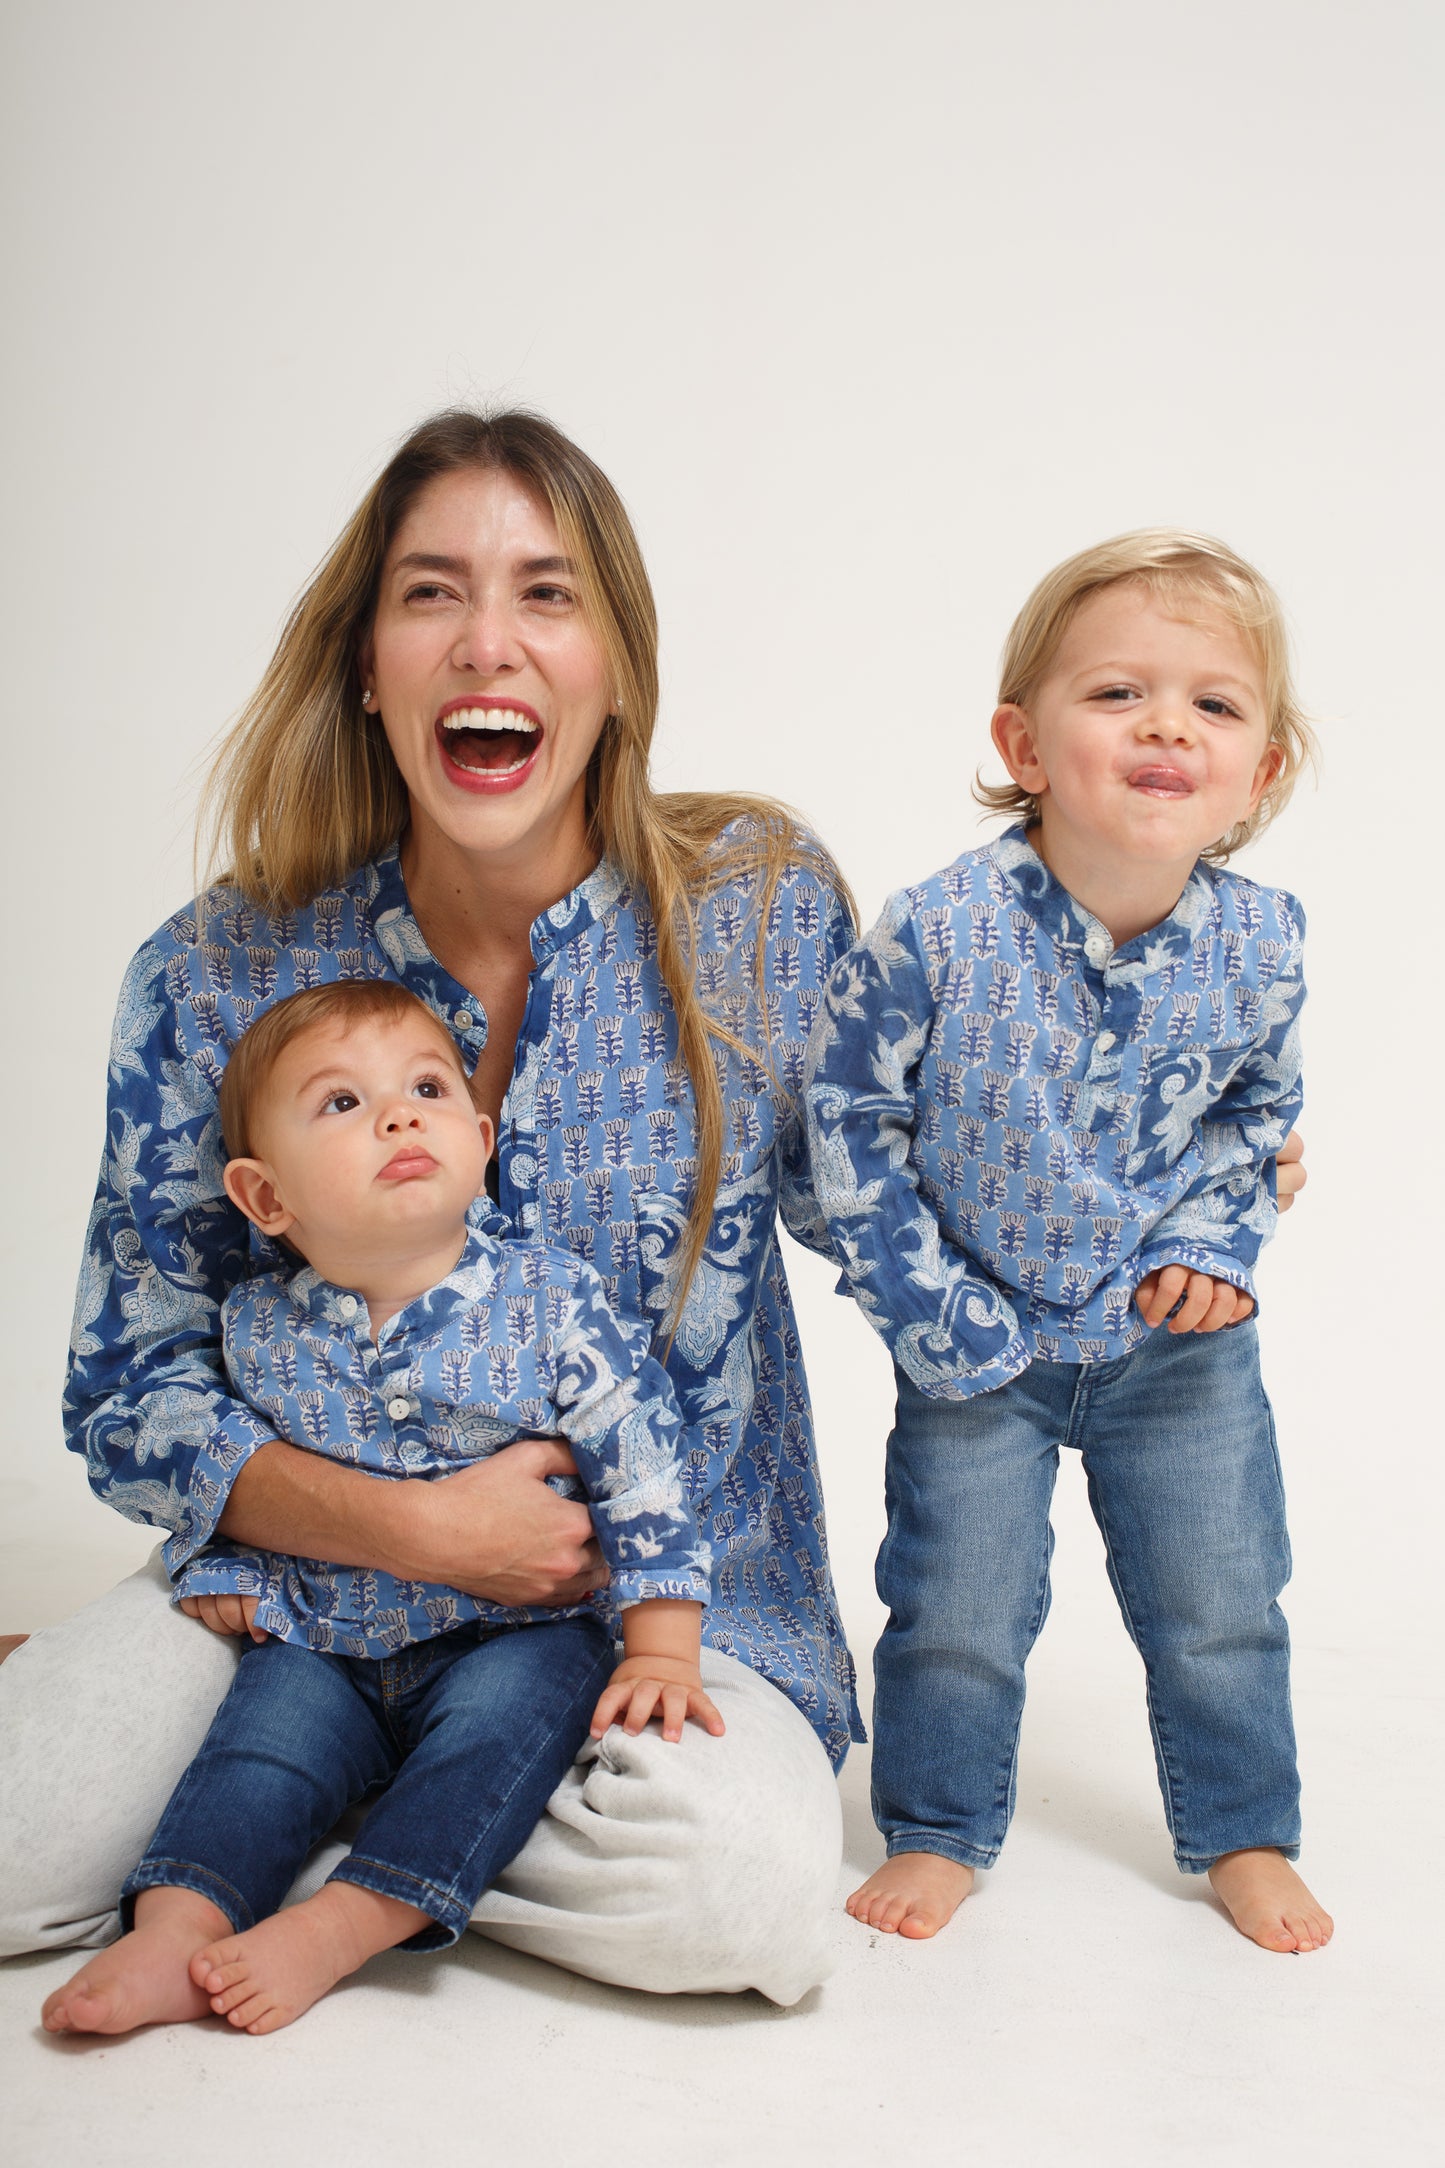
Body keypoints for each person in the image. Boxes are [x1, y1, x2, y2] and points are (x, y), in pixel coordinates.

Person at [0, 409, 860, 2006]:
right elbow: (130, 1390)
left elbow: (892, 1204)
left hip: (669, 1611)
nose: (489, 643)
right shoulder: (216, 970)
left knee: (731, 1900)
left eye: (547, 593)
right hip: (303, 1609)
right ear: (367, 665)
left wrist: (1192, 1170)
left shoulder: (759, 910)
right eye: (430, 595)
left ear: (617, 659)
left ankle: (280, 1847)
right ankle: (334, 1808)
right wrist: (414, 1530)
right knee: (8, 1842)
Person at [805, 531, 1333, 1953]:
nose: (1168, 725)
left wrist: (1219, 1244)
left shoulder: (1265, 944)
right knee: (956, 1604)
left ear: (1259, 773)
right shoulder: (935, 933)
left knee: (1221, 1600)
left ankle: (1241, 1829)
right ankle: (937, 1824)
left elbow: (1256, 1118)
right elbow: (846, 1127)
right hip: (981, 1339)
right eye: (1118, 694)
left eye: (1215, 707)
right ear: (1022, 743)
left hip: (1176, 1344)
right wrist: (935, 1319)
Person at [42, 979, 724, 2036]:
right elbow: (231, 1485)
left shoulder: (549, 1300)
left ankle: (348, 1917)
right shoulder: (259, 1324)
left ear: (480, 1136)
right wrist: (218, 1569)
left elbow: (641, 1464)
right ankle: (178, 1924)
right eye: (341, 1104)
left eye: (423, 1087)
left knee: (496, 1741)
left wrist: (663, 1647)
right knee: (256, 1751)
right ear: (266, 1199)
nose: (398, 1115)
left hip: (512, 1633)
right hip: (324, 1631)